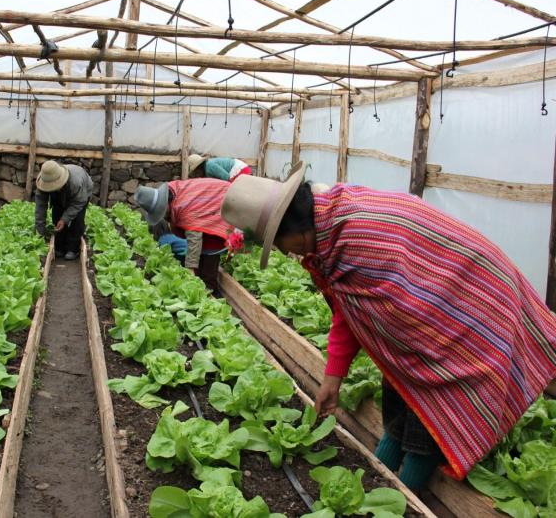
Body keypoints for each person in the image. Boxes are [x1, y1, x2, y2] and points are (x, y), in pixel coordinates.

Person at [220, 166, 556, 490]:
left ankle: (399, 493)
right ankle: (374, 487)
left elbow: (412, 329)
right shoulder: (328, 233)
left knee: (435, 402)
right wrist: (333, 378)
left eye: (279, 243)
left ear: (295, 227)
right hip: (433, 306)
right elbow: (349, 312)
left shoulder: (356, 238)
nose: (283, 252)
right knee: (399, 388)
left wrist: (391, 364)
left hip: (473, 301)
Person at [134, 178, 231, 290]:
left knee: (211, 250)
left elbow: (195, 238)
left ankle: (210, 289)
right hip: (213, 201)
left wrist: (190, 269)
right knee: (203, 254)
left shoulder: (184, 206)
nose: (164, 217)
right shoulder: (173, 190)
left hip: (226, 202)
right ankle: (204, 285)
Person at [35, 160, 92, 260]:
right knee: (57, 215)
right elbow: (40, 205)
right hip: (62, 192)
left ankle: (73, 249)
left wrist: (65, 219)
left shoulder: (76, 182)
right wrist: (40, 228)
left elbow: (78, 203)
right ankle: (59, 247)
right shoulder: (44, 179)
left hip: (81, 193)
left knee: (77, 220)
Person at [187, 153, 252, 182]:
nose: (197, 175)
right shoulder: (206, 170)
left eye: (196, 172)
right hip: (239, 169)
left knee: (230, 190)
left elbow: (226, 177)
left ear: (199, 167)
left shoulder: (209, 166)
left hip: (240, 169)